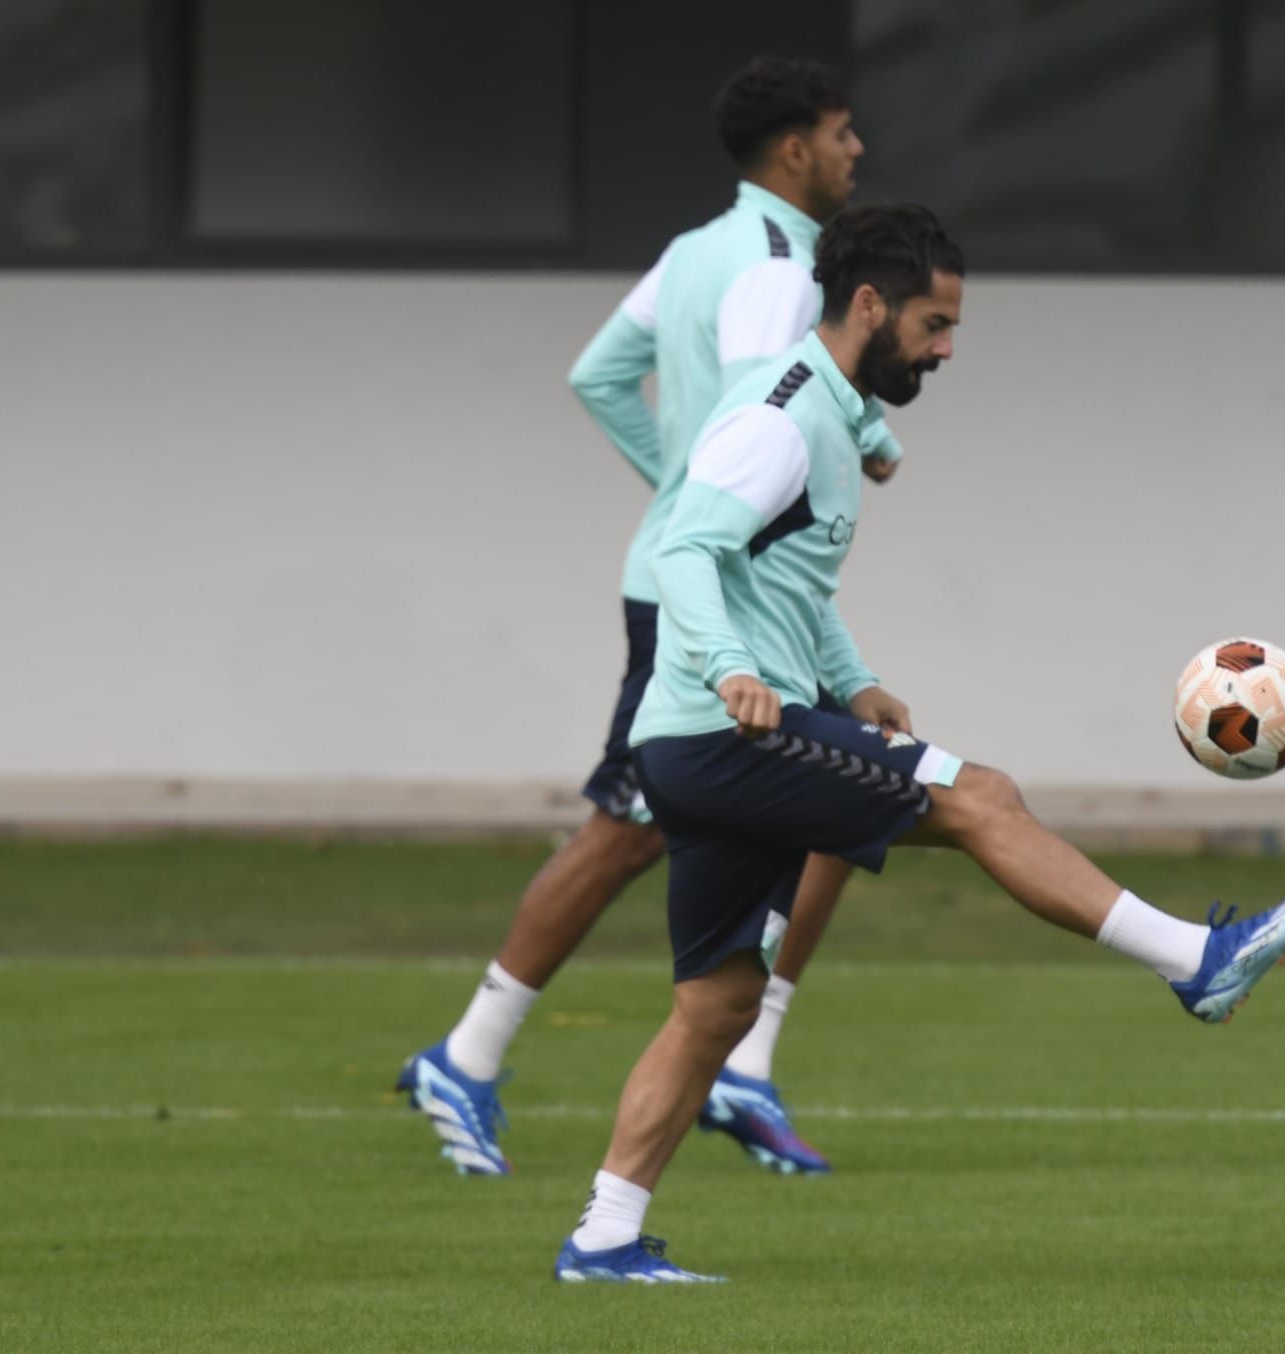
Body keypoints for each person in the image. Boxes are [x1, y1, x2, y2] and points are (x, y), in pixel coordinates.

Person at [553, 203, 1285, 1284]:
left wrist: (854, 680)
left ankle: (603, 1236)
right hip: (726, 733)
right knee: (980, 797)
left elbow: (792, 583)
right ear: (870, 305)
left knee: (717, 1005)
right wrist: (730, 668)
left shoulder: (827, 411)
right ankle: (1194, 961)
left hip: (709, 743)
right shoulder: (782, 414)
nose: (947, 348)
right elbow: (686, 547)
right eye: (934, 323)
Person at [398, 57, 889, 1179]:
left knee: (832, 795)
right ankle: (472, 1056)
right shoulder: (780, 268)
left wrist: (678, 488)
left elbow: (598, 375)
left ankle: (733, 1060)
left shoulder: (693, 250)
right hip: (714, 597)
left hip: (698, 577)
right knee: (641, 829)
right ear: (794, 150)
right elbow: (776, 403)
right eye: (841, 132)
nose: (856, 150)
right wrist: (868, 438)